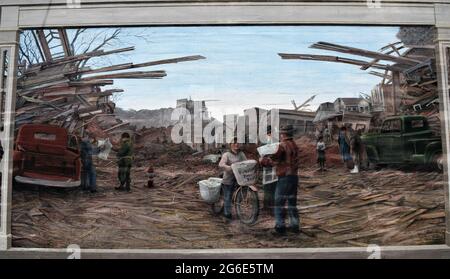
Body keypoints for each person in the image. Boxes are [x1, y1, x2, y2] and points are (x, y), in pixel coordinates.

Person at [261, 125, 300, 235]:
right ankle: (295, 226)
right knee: (292, 204)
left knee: (278, 204)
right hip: (294, 177)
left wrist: (262, 160)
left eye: (281, 133)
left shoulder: (282, 146)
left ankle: (280, 228)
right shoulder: (294, 145)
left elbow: (272, 160)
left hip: (284, 178)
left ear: (283, 134)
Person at [218, 137, 247, 221]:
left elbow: (246, 162)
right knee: (228, 197)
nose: (236, 144)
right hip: (229, 178)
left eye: (237, 143)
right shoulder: (226, 154)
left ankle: (237, 208)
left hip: (239, 178)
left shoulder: (241, 154)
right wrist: (230, 167)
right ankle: (227, 215)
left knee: (242, 194)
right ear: (230, 145)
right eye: (234, 143)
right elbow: (221, 164)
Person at [259, 125, 277, 216]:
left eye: (270, 132)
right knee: (266, 188)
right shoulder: (263, 143)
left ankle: (272, 208)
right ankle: (266, 206)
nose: (269, 134)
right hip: (266, 168)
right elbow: (261, 154)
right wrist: (262, 158)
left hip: (274, 167)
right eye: (268, 133)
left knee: (273, 187)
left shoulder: (276, 142)